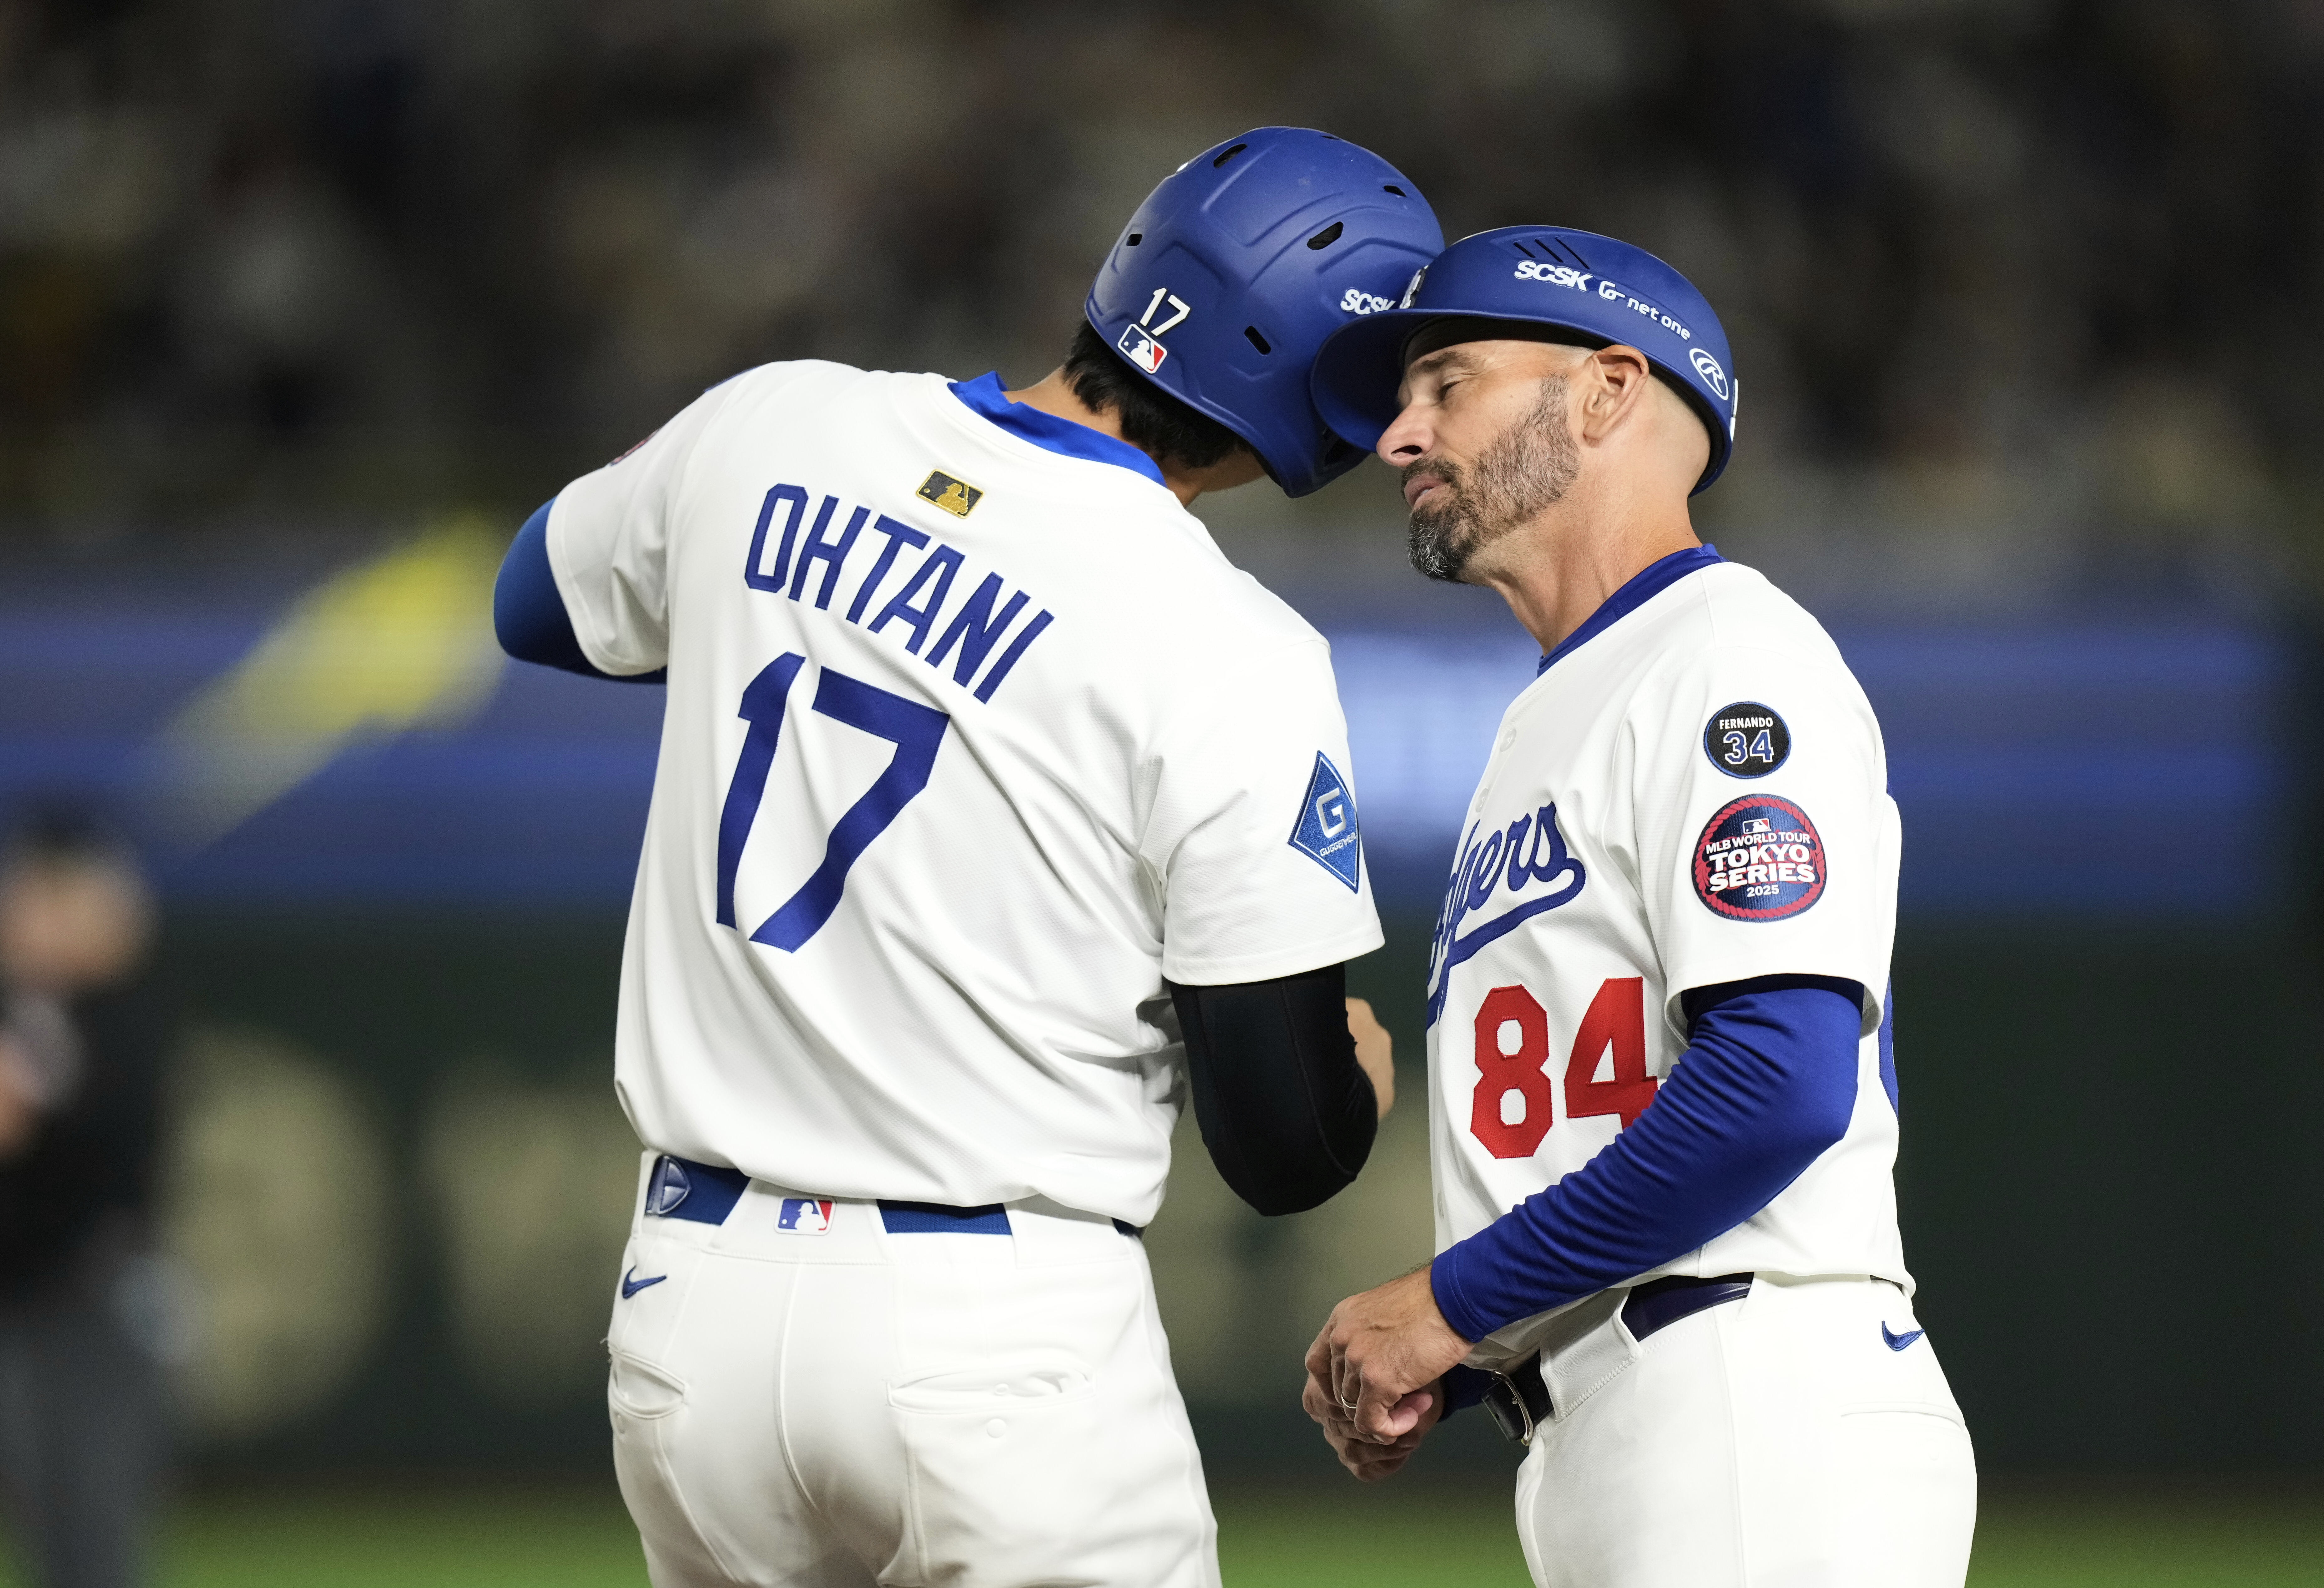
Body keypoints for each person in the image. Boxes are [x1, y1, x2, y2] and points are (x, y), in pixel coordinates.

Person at [491, 129, 1440, 1587]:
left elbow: (534, 600)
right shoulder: (1226, 644)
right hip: (992, 1336)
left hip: (694, 1312)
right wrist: (1356, 1081)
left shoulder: (777, 426)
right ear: (1322, 390)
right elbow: (1280, 1144)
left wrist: (821, 617)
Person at [1297, 227, 1976, 1586]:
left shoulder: (1729, 658)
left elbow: (1779, 1084)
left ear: (1607, 389)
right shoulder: (1563, 704)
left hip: (1744, 1394)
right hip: (1629, 1413)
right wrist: (1481, 1347)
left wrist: (1448, 1305)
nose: (1399, 435)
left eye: (1448, 382)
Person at [0, 809, 172, 1588]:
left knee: (92, 1538)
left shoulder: (123, 1015)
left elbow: (93, 1121)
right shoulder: (33, 1011)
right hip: (32, 1300)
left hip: (99, 1299)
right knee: (55, 1534)